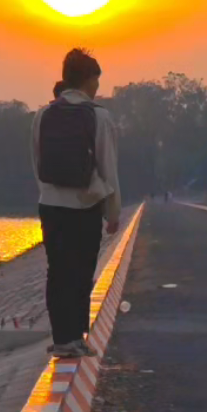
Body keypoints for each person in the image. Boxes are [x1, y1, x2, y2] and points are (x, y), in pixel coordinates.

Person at [32, 48, 121, 359]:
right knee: (82, 271)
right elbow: (108, 168)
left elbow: (37, 162)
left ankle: (61, 339)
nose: (97, 86)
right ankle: (77, 337)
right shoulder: (98, 116)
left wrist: (49, 194)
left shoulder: (43, 114)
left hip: (51, 205)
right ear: (87, 79)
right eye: (96, 80)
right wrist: (112, 212)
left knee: (57, 271)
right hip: (85, 206)